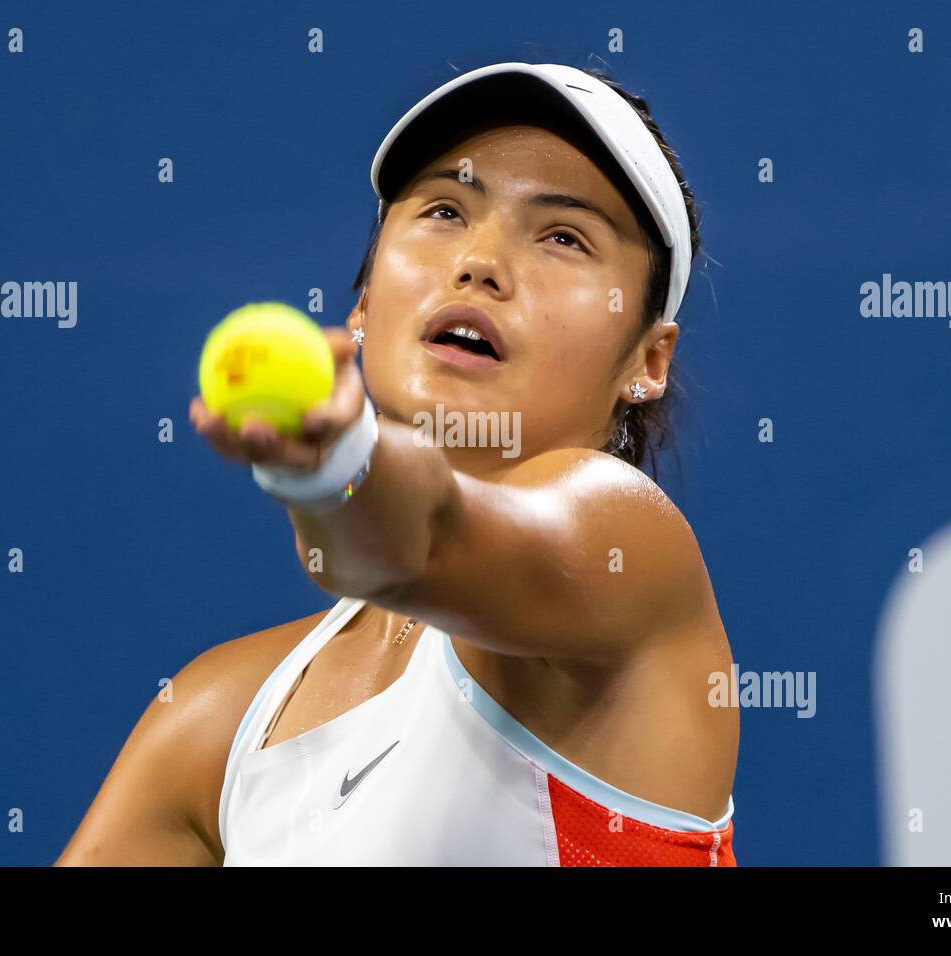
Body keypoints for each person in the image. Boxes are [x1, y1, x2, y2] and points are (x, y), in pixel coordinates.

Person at [56, 61, 738, 866]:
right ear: (365, 301)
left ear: (648, 361)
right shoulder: (213, 718)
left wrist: (336, 465)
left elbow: (425, 536)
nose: (480, 262)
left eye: (563, 235)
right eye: (445, 210)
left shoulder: (625, 548)